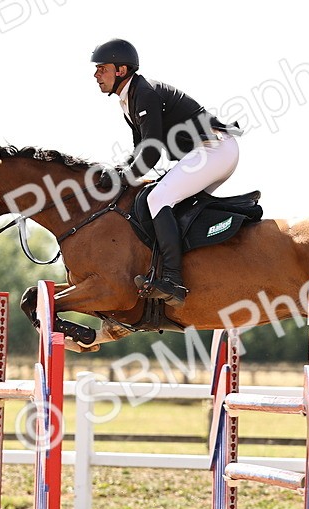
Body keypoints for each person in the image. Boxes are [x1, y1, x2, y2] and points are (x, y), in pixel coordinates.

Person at [91, 38, 240, 307]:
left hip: (214, 150)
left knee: (157, 199)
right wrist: (121, 171)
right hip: (212, 152)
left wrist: (121, 177)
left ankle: (172, 280)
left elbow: (150, 154)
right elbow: (140, 149)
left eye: (102, 68)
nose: (96, 75)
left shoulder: (144, 94)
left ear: (121, 70)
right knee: (164, 201)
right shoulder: (130, 99)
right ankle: (186, 268)